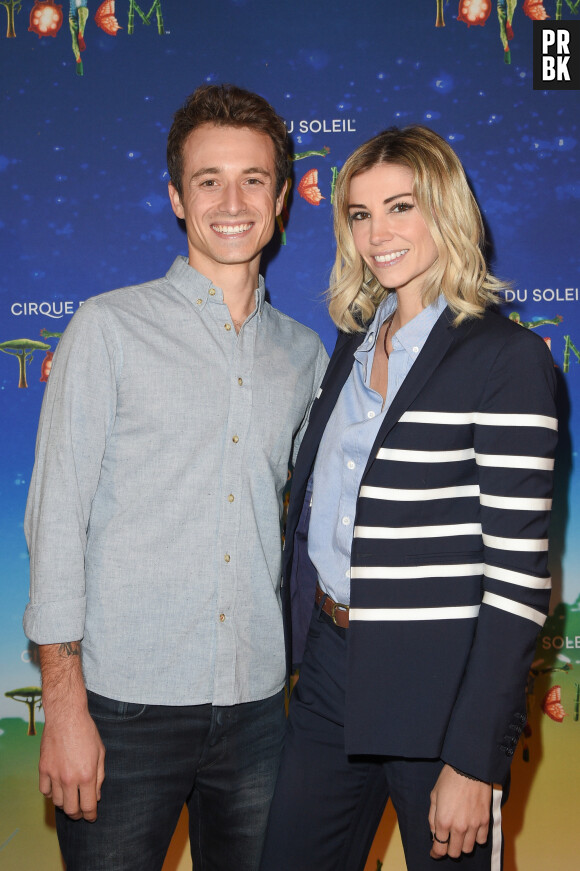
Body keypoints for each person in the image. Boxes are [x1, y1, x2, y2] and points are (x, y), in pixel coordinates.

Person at [23, 83, 328, 871]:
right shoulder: (107, 328)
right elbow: (55, 521)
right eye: (208, 180)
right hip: (122, 711)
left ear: (282, 198)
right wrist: (64, 707)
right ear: (176, 198)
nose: (233, 200)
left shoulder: (306, 356)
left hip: (261, 710)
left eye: (253, 179)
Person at [259, 126, 557, 871]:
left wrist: (475, 756)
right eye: (360, 214)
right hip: (330, 671)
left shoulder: (507, 358)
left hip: (442, 694)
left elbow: (520, 581)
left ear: (447, 211)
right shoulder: (353, 345)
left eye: (401, 207)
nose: (378, 233)